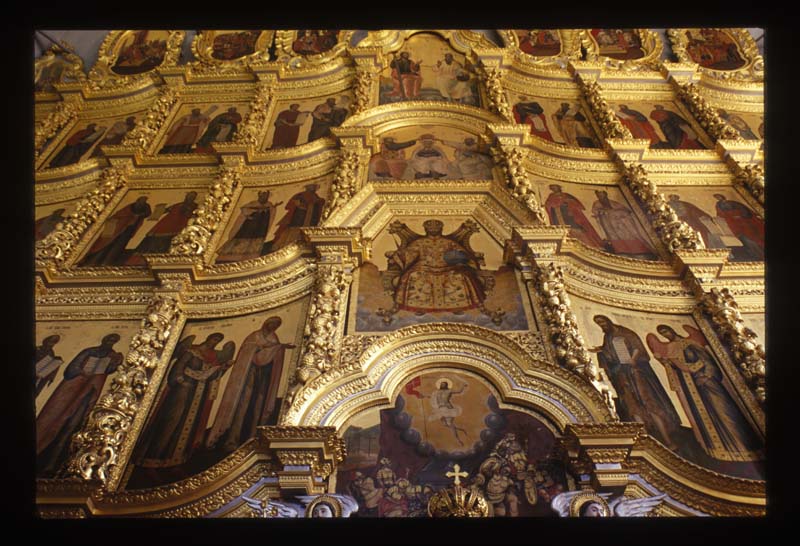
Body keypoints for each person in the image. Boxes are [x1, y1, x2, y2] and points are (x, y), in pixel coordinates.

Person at [647, 325, 763, 461]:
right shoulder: (671, 347)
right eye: (662, 333)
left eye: (666, 331)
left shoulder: (690, 343)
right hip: (691, 388)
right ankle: (718, 449)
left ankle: (743, 447)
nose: (665, 335)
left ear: (671, 330)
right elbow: (676, 367)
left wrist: (705, 376)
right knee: (705, 415)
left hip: (708, 383)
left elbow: (707, 361)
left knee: (724, 410)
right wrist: (664, 361)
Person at [134, 333, 235, 469]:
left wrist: (223, 368)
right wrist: (180, 380)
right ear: (208, 338)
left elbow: (210, 375)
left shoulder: (213, 357)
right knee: (172, 420)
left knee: (188, 424)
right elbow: (178, 367)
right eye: (214, 339)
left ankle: (175, 460)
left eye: (218, 341)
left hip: (198, 395)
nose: (215, 342)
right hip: (181, 390)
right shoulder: (191, 351)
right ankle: (152, 458)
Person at [588, 315, 683, 450]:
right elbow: (609, 351)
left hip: (636, 373)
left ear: (608, 321)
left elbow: (637, 347)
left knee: (648, 402)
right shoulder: (608, 336)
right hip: (623, 376)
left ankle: (667, 440)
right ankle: (643, 442)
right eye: (598, 323)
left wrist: (633, 359)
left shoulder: (625, 332)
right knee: (632, 406)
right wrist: (600, 350)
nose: (601, 325)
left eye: (602, 322)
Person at [36, 333, 124, 477]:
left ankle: (56, 463)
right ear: (103, 339)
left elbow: (108, 370)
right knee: (55, 419)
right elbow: (70, 370)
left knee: (74, 425)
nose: (110, 342)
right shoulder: (89, 351)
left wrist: (115, 363)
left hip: (89, 393)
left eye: (113, 340)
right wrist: (81, 371)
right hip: (72, 390)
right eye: (109, 339)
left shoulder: (112, 355)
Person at [206, 317, 296, 452]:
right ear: (266, 323)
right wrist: (267, 347)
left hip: (263, 379)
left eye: (276, 325)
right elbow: (247, 351)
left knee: (258, 406)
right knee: (242, 405)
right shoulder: (254, 336)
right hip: (248, 378)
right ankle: (232, 439)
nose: (273, 327)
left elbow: (273, 355)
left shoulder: (274, 338)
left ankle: (253, 438)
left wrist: (279, 347)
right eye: (272, 324)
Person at [387, 219, 486, 315]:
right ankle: (419, 306)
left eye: (436, 228)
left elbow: (461, 253)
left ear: (441, 229)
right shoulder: (420, 242)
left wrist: (467, 258)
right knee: (413, 275)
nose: (433, 230)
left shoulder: (448, 242)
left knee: (461, 277)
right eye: (430, 228)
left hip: (447, 268)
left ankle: (457, 306)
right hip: (424, 268)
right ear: (426, 229)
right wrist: (396, 255)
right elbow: (408, 254)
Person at [125, 191, 199, 265]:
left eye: (192, 197)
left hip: (179, 225)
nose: (189, 198)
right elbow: (167, 209)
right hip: (166, 224)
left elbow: (193, 214)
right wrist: (160, 210)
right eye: (189, 196)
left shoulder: (195, 206)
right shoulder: (179, 204)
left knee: (170, 241)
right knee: (152, 239)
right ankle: (139, 260)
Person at [80, 196, 152, 266]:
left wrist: (139, 216)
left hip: (125, 233)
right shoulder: (128, 209)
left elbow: (147, 213)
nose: (141, 204)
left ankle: (107, 263)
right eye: (141, 202)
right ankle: (92, 262)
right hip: (116, 229)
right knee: (103, 245)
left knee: (116, 248)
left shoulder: (144, 208)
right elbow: (119, 216)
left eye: (143, 202)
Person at [216, 191, 280, 263]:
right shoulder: (253, 204)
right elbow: (245, 210)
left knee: (255, 242)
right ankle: (232, 256)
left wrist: (272, 208)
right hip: (248, 226)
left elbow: (270, 212)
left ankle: (250, 256)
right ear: (259, 196)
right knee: (241, 239)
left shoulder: (269, 205)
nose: (264, 198)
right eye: (263, 196)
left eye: (266, 196)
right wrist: (250, 214)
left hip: (260, 227)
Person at [591, 190, 658, 259]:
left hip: (622, 225)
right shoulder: (597, 203)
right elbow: (595, 211)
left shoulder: (614, 203)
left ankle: (638, 250)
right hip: (608, 225)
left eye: (602, 196)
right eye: (599, 196)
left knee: (629, 235)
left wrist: (615, 213)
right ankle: (621, 251)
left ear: (606, 195)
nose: (601, 198)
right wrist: (602, 212)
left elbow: (626, 211)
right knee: (614, 237)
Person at [266, 184, 326, 251]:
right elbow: (289, 205)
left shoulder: (316, 196)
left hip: (308, 219)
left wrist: (318, 202)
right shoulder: (300, 195)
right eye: (311, 187)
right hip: (297, 216)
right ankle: (283, 246)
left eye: (314, 187)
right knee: (291, 231)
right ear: (307, 187)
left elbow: (319, 203)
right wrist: (298, 204)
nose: (313, 188)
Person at [544, 185, 605, 249]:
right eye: (553, 188)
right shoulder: (551, 196)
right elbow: (548, 204)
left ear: (559, 188)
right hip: (558, 214)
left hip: (569, 213)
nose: (554, 189)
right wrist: (553, 205)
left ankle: (588, 244)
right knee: (563, 229)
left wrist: (568, 203)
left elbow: (575, 203)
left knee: (576, 227)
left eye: (555, 188)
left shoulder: (566, 195)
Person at [713, 194, 764, 261]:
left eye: (718, 196)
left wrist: (738, 215)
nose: (718, 198)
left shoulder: (732, 203)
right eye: (717, 197)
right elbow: (720, 214)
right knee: (744, 238)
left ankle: (759, 254)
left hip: (743, 223)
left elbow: (744, 210)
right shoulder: (719, 205)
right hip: (735, 224)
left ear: (722, 197)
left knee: (753, 237)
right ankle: (756, 254)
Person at [429, 379, 468, 446]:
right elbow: (430, 396)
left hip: (448, 409)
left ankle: (458, 440)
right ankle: (461, 429)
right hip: (440, 409)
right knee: (445, 424)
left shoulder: (449, 391)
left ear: (446, 385)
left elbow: (459, 391)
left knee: (450, 424)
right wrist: (423, 396)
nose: (442, 385)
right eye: (441, 384)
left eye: (444, 384)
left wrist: (463, 386)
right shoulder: (436, 392)